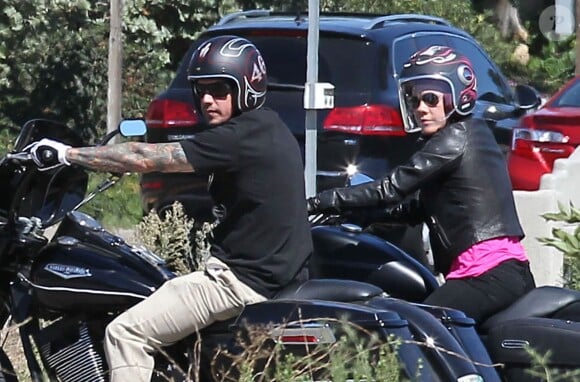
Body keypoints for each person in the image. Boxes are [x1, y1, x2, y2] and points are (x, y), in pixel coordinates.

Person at [25, 35, 312, 381]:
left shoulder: (239, 137)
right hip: (270, 277)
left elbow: (144, 157)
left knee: (125, 333)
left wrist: (66, 154)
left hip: (236, 284)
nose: (207, 99)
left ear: (247, 88)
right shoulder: (268, 128)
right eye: (201, 90)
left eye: (220, 89)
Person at [307, 45, 536, 325]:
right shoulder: (474, 135)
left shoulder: (456, 137)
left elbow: (390, 188)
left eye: (430, 98)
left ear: (458, 97)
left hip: (486, 274)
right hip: (504, 273)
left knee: (418, 329)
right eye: (414, 100)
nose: (421, 109)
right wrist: (357, 215)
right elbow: (415, 207)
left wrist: (321, 201)